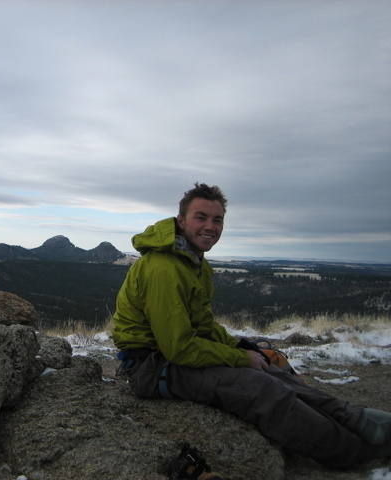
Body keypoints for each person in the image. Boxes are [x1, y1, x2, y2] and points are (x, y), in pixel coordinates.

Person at [112, 182, 391, 468]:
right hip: (151, 366)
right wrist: (239, 357)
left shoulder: (194, 263)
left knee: (275, 373)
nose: (211, 226)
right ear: (181, 221)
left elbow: (204, 325)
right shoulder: (163, 268)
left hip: (173, 359)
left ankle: (364, 422)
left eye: (217, 219)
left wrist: (241, 346)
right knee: (261, 389)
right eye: (201, 217)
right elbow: (178, 348)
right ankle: (358, 454)